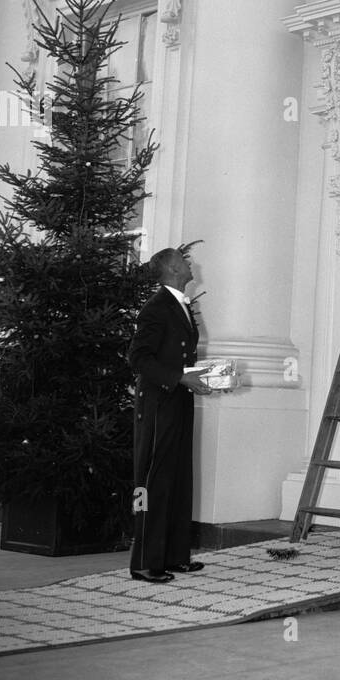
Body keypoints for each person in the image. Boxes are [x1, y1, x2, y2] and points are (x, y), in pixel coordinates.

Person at [128, 247, 212, 583]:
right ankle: (145, 562)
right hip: (159, 404)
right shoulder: (157, 307)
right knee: (153, 483)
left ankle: (175, 556)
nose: (189, 263)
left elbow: (172, 355)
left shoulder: (178, 304)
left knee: (177, 477)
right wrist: (179, 377)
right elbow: (138, 358)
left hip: (177, 400)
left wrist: (197, 376)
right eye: (184, 260)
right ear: (173, 268)